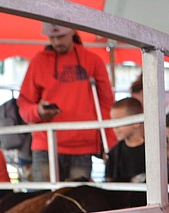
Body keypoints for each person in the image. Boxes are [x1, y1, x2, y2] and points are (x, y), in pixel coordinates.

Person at [17, 23, 116, 182]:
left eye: (61, 36)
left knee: (76, 203)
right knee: (42, 201)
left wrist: (109, 142)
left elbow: (106, 104)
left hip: (82, 146)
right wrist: (38, 111)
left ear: (73, 31)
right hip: (46, 144)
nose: (56, 42)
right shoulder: (38, 62)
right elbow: (24, 103)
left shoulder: (93, 61)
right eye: (52, 37)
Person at [106, 97, 147, 185]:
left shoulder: (152, 151)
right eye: (113, 121)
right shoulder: (114, 153)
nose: (115, 127)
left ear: (136, 122)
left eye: (119, 121)